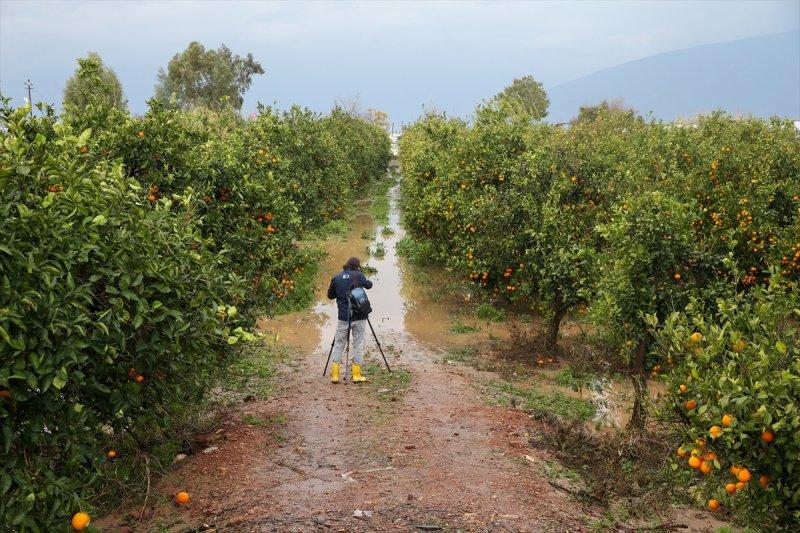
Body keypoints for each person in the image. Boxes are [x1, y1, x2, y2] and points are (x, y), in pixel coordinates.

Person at [327, 256, 373, 383]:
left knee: (339, 345)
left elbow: (330, 296)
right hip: (360, 317)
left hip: (343, 317)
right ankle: (357, 375)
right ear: (357, 266)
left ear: (346, 265)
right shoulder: (358, 275)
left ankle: (335, 375)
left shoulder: (337, 277)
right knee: (358, 344)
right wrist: (360, 276)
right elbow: (369, 285)